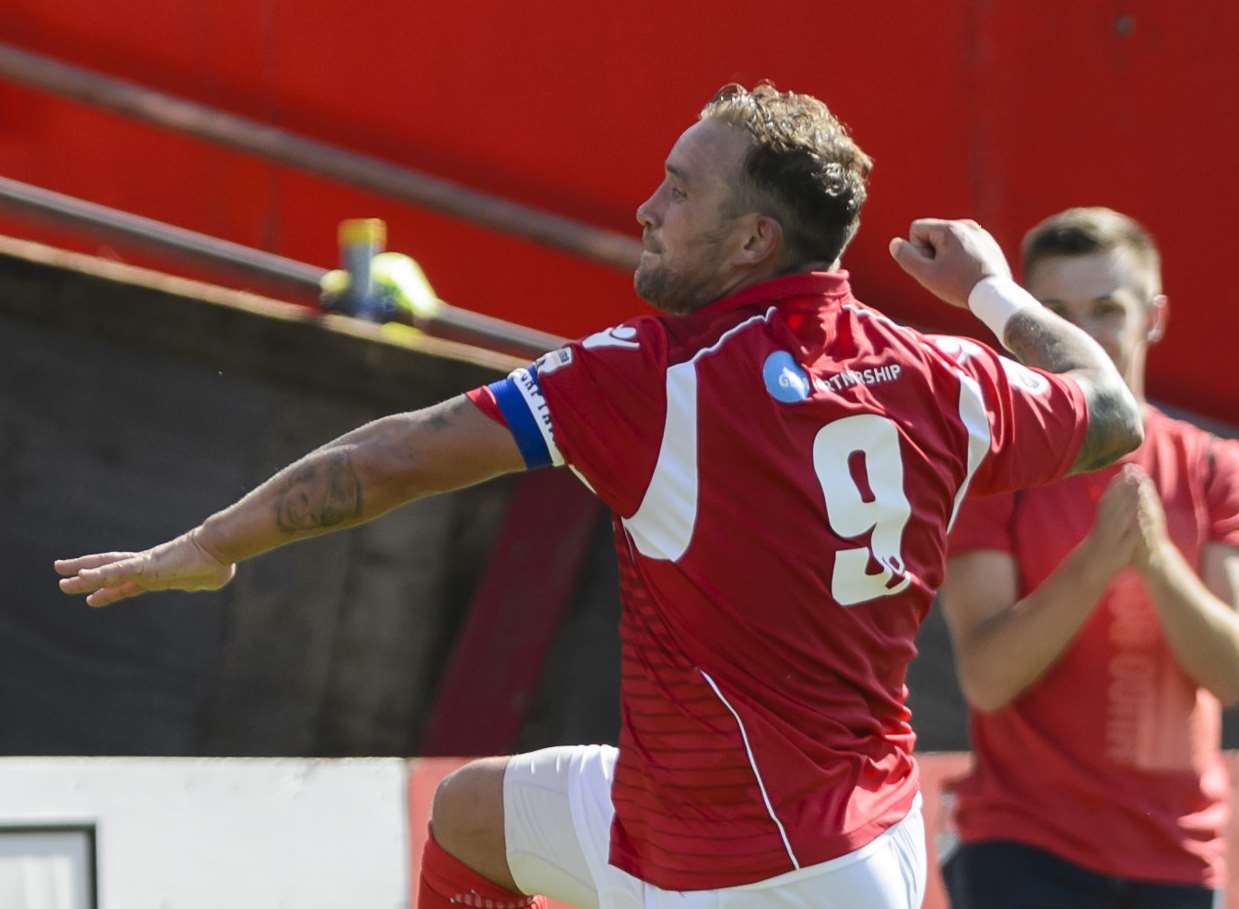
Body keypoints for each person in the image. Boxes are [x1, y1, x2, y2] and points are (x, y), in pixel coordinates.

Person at [55, 85, 1142, 909]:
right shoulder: (941, 371)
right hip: (847, 840)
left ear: (755, 241)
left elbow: (395, 457)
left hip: (737, 870)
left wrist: (209, 543)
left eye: (681, 189)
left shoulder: (657, 378)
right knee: (475, 812)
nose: (648, 206)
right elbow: (1107, 408)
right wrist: (993, 288)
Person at [938, 207, 1239, 908]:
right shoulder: (995, 470)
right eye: (1054, 312)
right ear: (1024, 323)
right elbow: (984, 678)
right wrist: (1095, 563)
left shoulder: (1210, 466)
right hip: (1020, 849)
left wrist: (1156, 559)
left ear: (1152, 316)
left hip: (1176, 852)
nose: (1081, 335)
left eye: (1105, 309)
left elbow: (1230, 675)